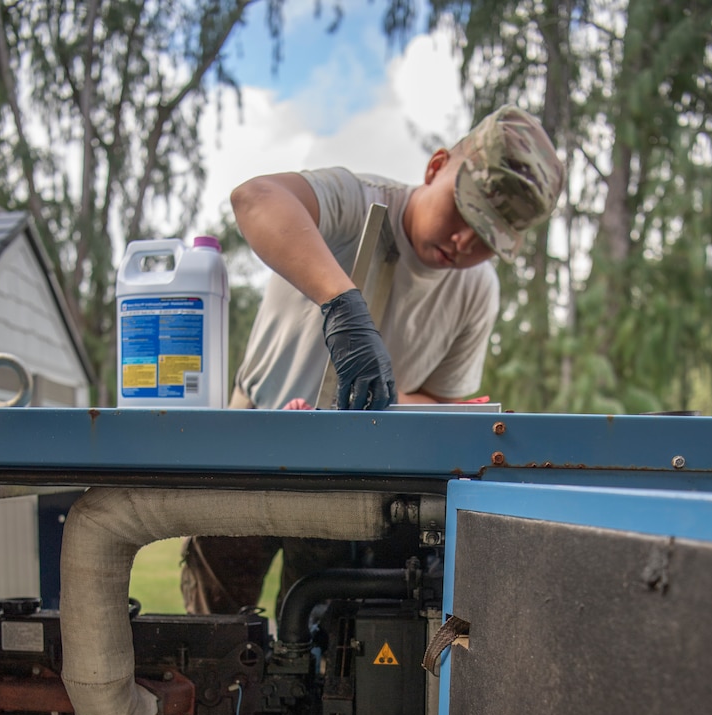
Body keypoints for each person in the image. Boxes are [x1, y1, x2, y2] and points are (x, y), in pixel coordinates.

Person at [180, 105, 564, 613]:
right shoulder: (357, 201)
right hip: (247, 445)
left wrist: (376, 397)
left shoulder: (476, 291)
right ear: (436, 166)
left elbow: (441, 402)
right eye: (464, 210)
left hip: (345, 482)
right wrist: (343, 304)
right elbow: (255, 198)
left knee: (318, 637)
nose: (463, 241)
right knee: (217, 639)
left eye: (487, 239)